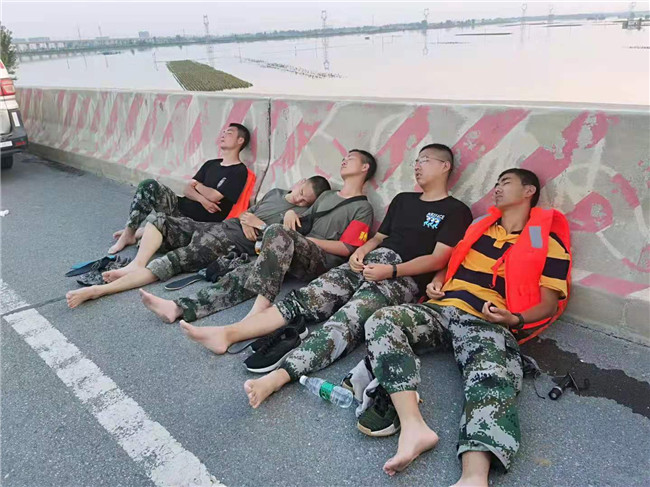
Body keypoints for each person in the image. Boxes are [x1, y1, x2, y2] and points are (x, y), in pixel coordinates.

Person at [360, 168, 572, 484]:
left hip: (486, 319)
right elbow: (451, 265)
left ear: (529, 191)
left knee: (491, 375)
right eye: (496, 182)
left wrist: (514, 319)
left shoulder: (548, 243)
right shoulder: (479, 230)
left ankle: (474, 476)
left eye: (506, 182)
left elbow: (549, 303)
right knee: (383, 319)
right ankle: (413, 428)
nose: (497, 188)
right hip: (442, 308)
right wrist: (436, 282)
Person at [239, 143, 473, 407]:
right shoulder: (403, 200)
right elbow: (379, 238)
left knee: (348, 320)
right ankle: (234, 332)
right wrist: (360, 252)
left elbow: (439, 258)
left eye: (425, 160)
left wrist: (392, 270)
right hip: (369, 262)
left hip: (401, 277)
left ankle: (279, 376)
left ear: (445, 166)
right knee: (311, 295)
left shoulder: (456, 210)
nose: (417, 166)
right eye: (416, 161)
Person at [142, 150, 377, 332]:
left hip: (321, 260)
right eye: (344, 157)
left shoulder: (362, 208)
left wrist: (300, 239)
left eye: (351, 158)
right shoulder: (326, 196)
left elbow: (347, 248)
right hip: (295, 248)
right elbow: (303, 221)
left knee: (275, 234)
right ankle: (180, 307)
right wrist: (291, 214)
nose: (344, 160)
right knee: (244, 274)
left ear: (364, 167)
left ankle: (258, 312)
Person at [65, 176, 330, 308]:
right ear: (299, 182)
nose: (299, 199)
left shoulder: (298, 217)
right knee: (160, 219)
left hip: (228, 243)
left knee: (173, 262)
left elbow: (275, 242)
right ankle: (137, 262)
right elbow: (247, 214)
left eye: (305, 200)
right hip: (219, 226)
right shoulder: (275, 193)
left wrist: (260, 224)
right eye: (301, 192)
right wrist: (247, 219)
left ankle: (100, 291)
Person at [108, 123, 251, 255]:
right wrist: (203, 200)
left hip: (198, 223)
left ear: (240, 140)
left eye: (229, 133)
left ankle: (143, 232)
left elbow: (214, 196)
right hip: (179, 208)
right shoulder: (211, 164)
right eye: (223, 132)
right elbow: (187, 190)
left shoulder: (239, 171)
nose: (223, 135)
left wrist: (197, 186)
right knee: (149, 185)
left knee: (154, 233)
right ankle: (129, 234)